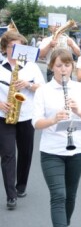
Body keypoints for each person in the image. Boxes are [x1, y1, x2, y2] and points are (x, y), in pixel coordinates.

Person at [32, 48, 81, 227]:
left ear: (72, 67)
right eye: (59, 66)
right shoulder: (43, 91)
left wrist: (77, 111)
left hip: (77, 149)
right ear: (52, 67)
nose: (63, 69)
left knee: (70, 195)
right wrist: (53, 120)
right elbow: (36, 122)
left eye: (67, 65)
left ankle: (63, 224)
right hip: (51, 150)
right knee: (58, 194)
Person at [0, 31, 45, 209]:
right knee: (8, 154)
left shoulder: (31, 66)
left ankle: (21, 186)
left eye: (20, 47)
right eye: (13, 46)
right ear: (5, 48)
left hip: (26, 115)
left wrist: (28, 84)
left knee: (26, 153)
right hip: (4, 116)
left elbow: (43, 88)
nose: (16, 50)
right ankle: (11, 195)